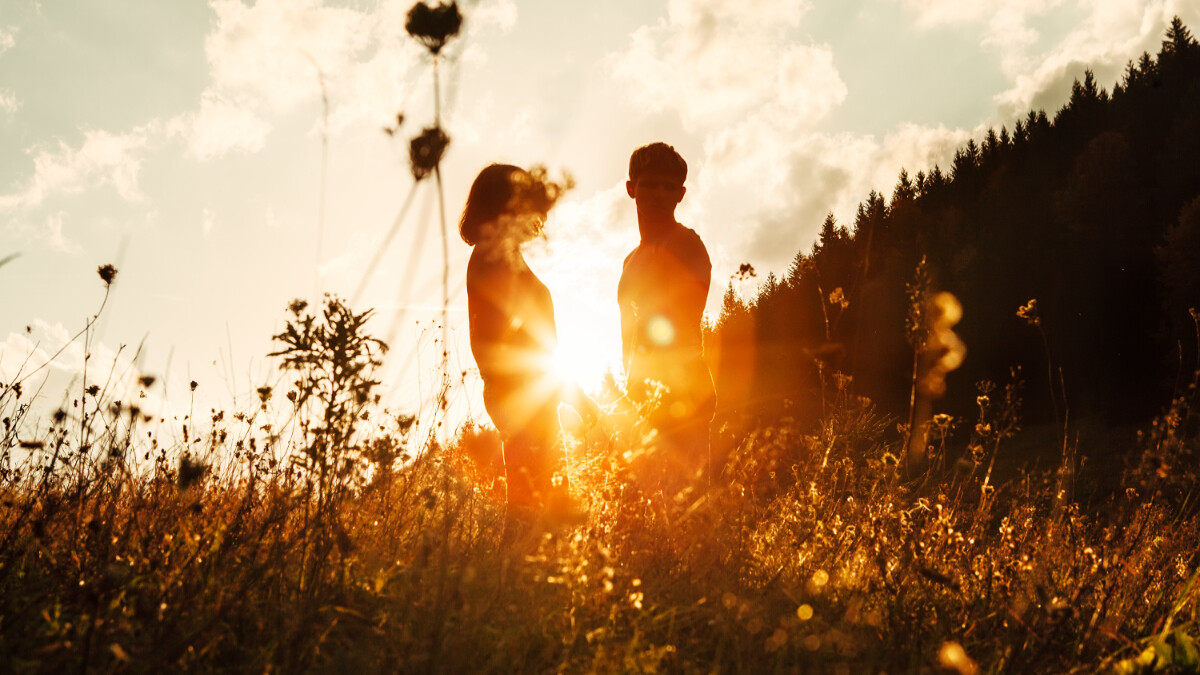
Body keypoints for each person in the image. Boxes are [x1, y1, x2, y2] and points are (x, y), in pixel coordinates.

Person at [461, 163, 596, 524]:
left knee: (541, 507)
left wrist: (570, 393)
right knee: (533, 509)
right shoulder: (492, 259)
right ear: (500, 206)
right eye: (519, 201)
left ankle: (520, 575)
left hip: (530, 396)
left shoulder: (505, 257)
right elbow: (498, 341)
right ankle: (513, 575)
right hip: (520, 397)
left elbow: (535, 346)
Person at [617, 142, 716, 494]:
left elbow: (682, 320)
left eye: (669, 187)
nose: (660, 194)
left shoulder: (686, 244)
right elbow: (627, 338)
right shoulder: (630, 262)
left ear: (681, 194)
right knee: (645, 525)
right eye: (651, 184)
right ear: (632, 189)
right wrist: (629, 399)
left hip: (683, 398)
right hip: (642, 402)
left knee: (685, 517)